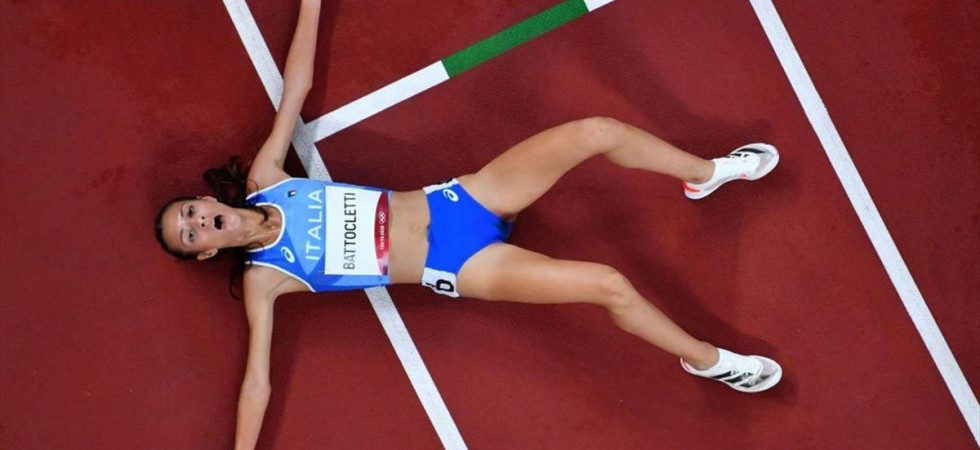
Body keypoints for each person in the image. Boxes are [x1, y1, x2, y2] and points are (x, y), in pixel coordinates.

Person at [154, 1, 782, 447]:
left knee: (598, 131)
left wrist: (312, 4)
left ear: (203, 200)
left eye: (189, 213)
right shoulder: (266, 278)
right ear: (207, 253)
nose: (198, 223)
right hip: (460, 265)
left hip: (461, 202)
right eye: (191, 236)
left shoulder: (271, 176)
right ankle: (709, 362)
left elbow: (296, 86)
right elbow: (256, 384)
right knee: (609, 284)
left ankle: (706, 173)